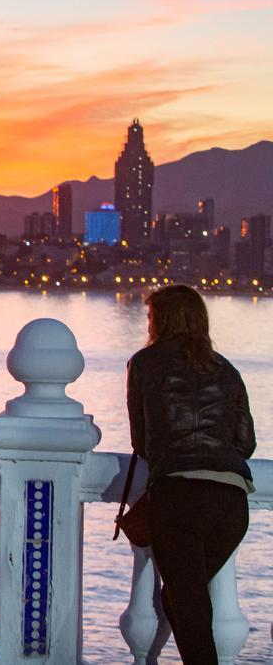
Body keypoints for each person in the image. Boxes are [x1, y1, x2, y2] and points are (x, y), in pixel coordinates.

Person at [127, 284, 254, 664]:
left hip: (179, 501)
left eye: (150, 318)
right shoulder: (225, 369)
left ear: (162, 321)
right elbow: (245, 443)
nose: (147, 326)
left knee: (191, 609)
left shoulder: (145, 363)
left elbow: (141, 441)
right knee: (182, 601)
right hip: (230, 505)